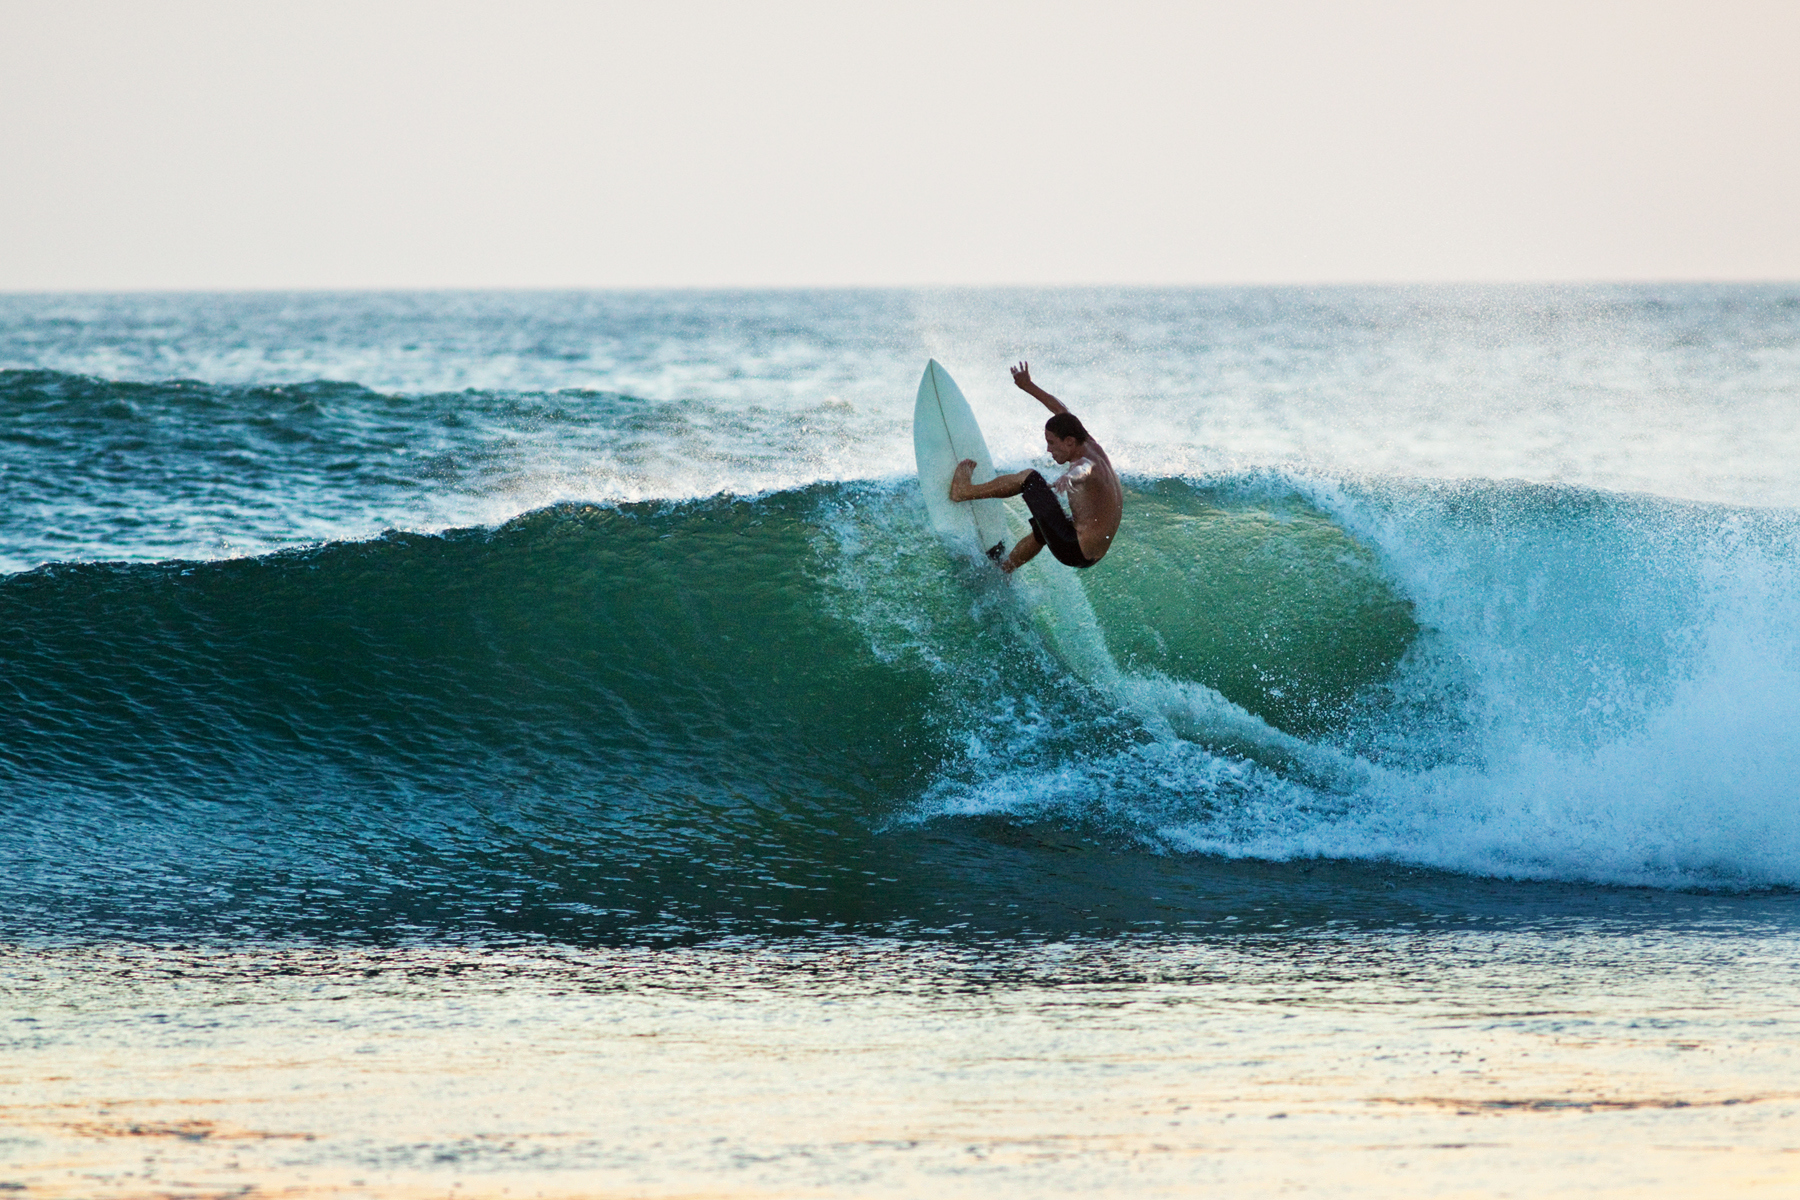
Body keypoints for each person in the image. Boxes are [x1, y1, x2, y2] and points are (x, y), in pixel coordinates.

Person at [949, 362, 1123, 573]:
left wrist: (1069, 477)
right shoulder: (1088, 443)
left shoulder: (1086, 463)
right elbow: (1061, 410)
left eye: (1051, 442)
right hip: (1089, 554)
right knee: (1045, 526)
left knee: (1030, 479)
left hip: (1073, 547)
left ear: (1069, 441)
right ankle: (1005, 570)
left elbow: (1084, 470)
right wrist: (1028, 386)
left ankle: (963, 491)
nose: (1048, 449)